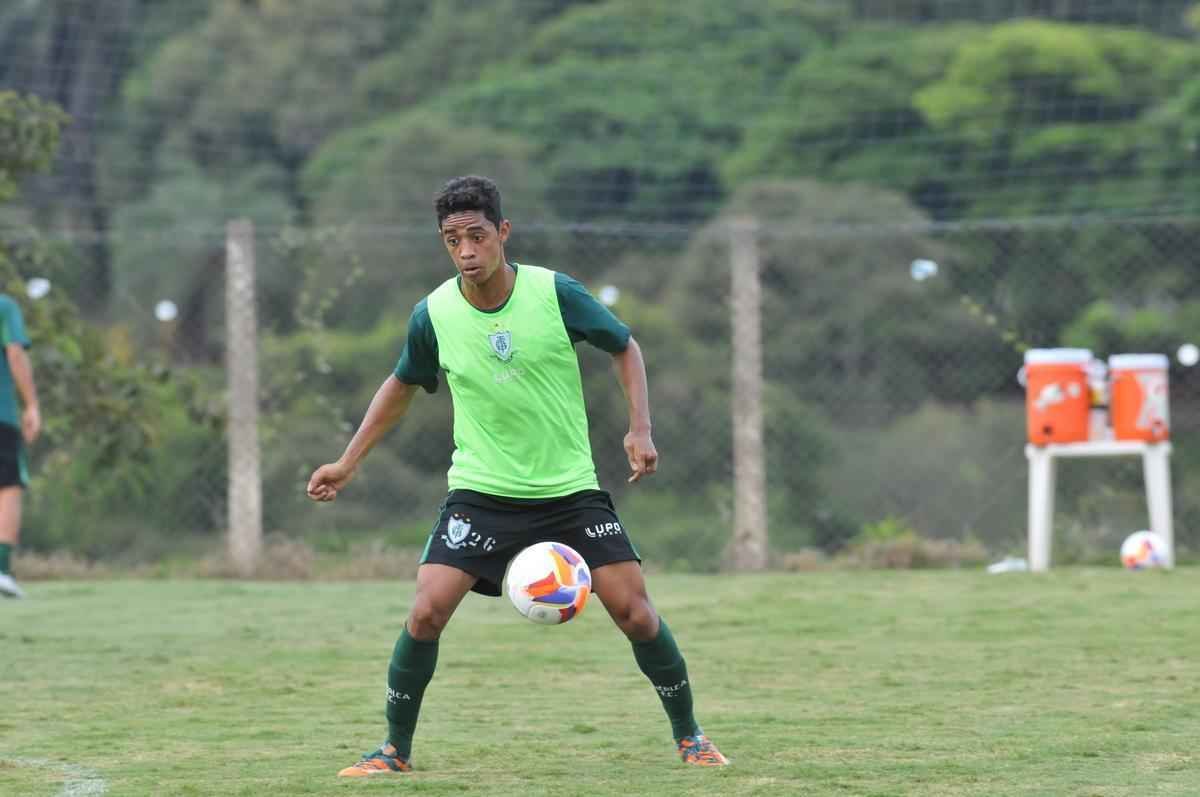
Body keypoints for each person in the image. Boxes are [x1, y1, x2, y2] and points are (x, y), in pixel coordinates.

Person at [307, 175, 728, 776]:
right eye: (452, 240)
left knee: (635, 612)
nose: (466, 251)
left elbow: (624, 346)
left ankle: (692, 738)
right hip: (481, 495)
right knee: (426, 612)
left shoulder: (555, 294)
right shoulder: (433, 314)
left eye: (476, 236)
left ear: (503, 233)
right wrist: (347, 462)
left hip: (569, 493)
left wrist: (640, 429)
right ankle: (393, 751)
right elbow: (401, 385)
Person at [0, 292, 39, 599]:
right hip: (1, 415)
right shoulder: (4, 306)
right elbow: (15, 353)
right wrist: (32, 405)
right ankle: (1, 570)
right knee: (7, 487)